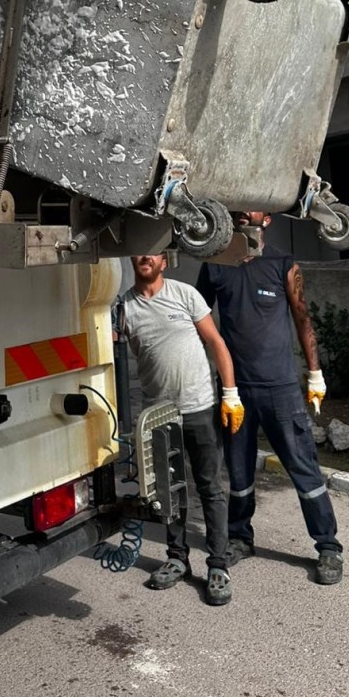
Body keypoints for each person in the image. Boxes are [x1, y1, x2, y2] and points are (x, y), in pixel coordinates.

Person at [197, 212, 344, 585]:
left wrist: (315, 374)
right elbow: (198, 320)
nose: (249, 215)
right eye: (242, 210)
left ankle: (327, 547)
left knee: (304, 470)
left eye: (258, 210)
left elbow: (303, 318)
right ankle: (240, 538)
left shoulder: (283, 263)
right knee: (240, 472)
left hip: (280, 390)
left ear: (269, 219)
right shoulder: (214, 266)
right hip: (236, 391)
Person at [115, 252, 245, 605]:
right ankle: (177, 558)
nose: (145, 256)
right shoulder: (123, 308)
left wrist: (230, 394)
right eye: (139, 251)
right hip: (160, 415)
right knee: (170, 492)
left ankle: (218, 565)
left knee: (210, 489)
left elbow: (216, 342)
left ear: (164, 260)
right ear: (132, 258)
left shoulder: (185, 294)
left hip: (200, 407)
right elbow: (106, 353)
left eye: (152, 251)